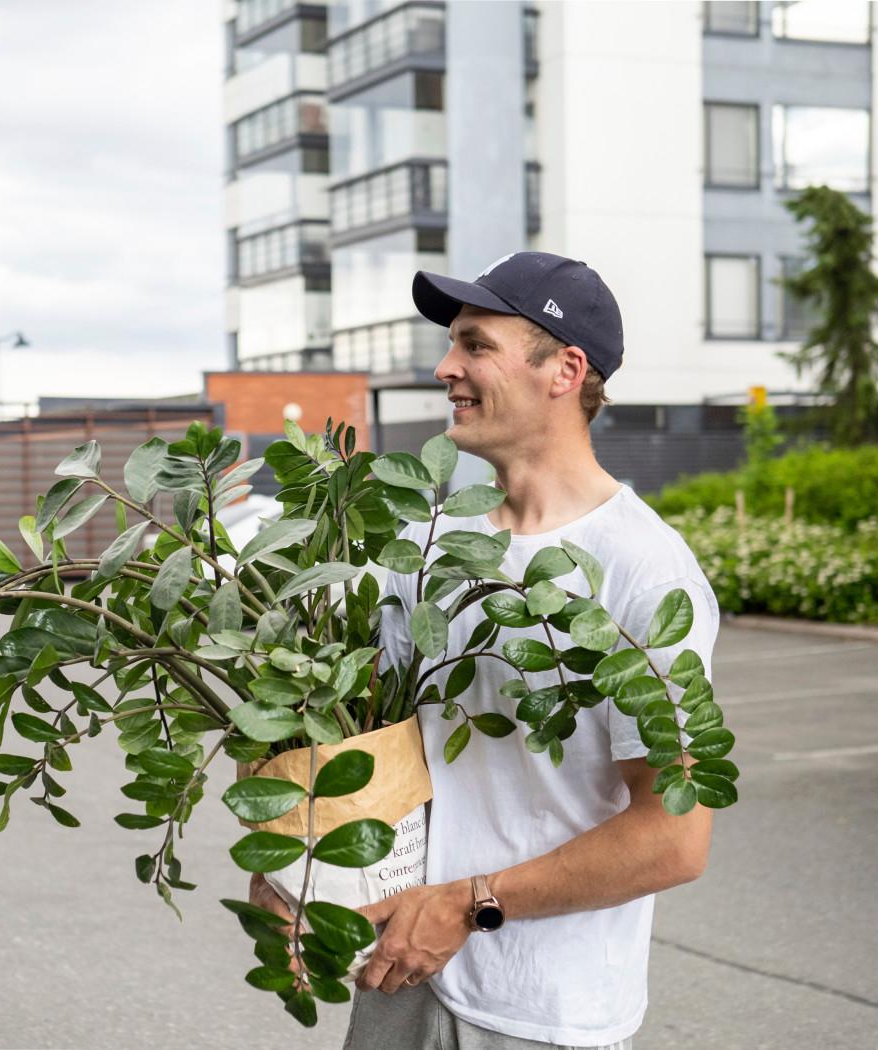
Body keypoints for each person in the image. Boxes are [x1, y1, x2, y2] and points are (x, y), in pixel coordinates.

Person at [250, 252, 720, 1050]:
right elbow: (365, 731)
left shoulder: (643, 568)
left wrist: (470, 903)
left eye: (474, 344)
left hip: (541, 1011)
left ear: (565, 369)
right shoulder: (432, 543)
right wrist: (293, 854)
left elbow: (674, 834)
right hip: (399, 972)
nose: (445, 367)